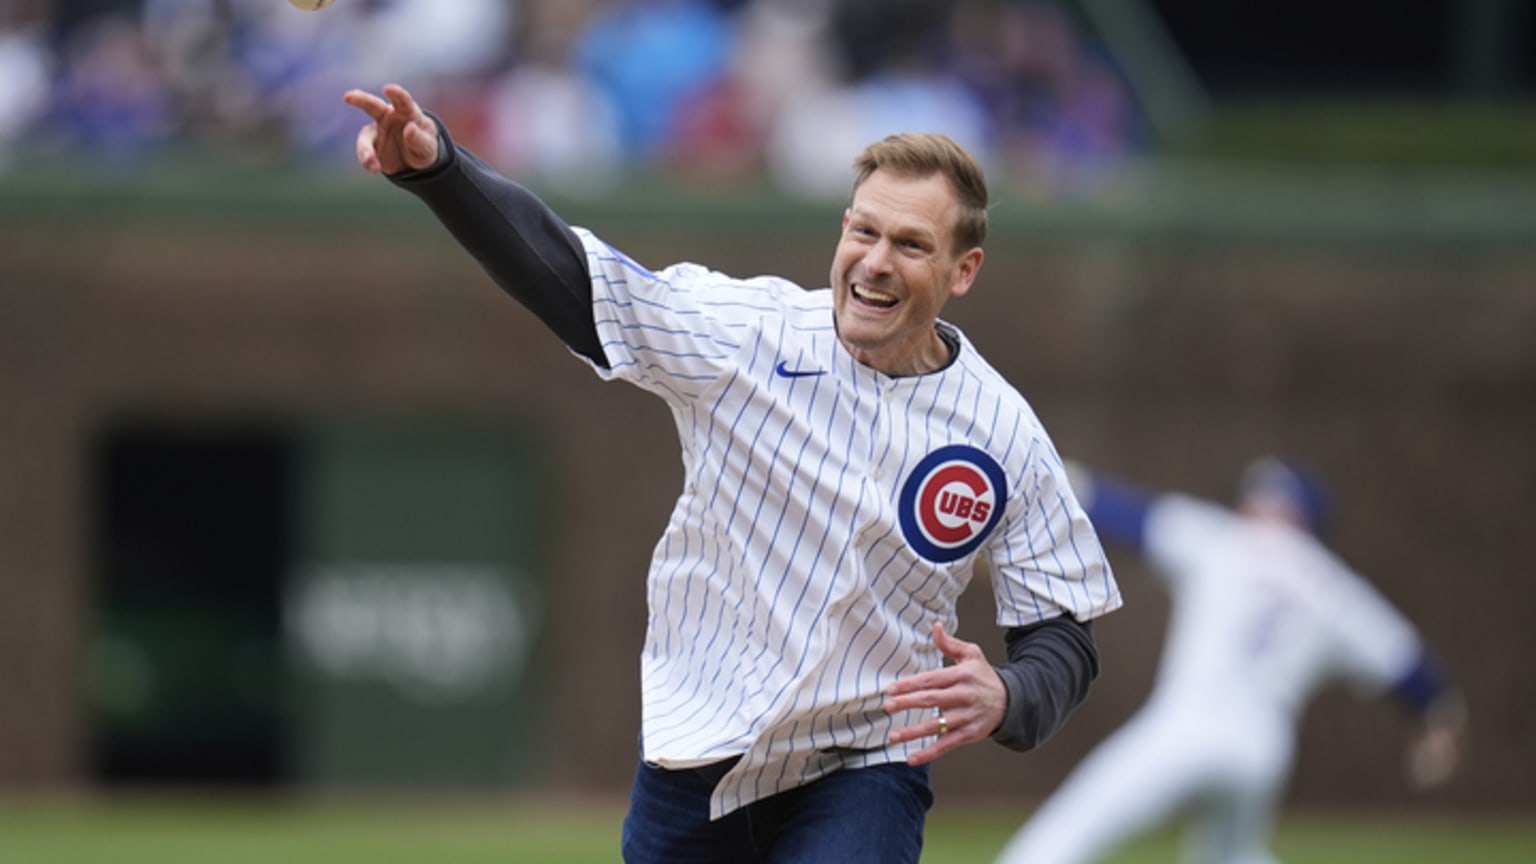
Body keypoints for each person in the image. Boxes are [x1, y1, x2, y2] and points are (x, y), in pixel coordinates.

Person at [343, 83, 1122, 863]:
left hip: (865, 759)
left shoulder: (1003, 430)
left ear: (964, 270)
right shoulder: (747, 335)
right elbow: (578, 281)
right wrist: (441, 171)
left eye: (912, 245)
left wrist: (1012, 694)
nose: (876, 262)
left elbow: (1062, 630)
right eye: (865, 231)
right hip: (697, 743)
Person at [995, 457, 1469, 864]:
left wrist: (1027, 498)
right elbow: (1407, 664)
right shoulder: (1334, 587)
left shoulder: (1224, 540)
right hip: (1263, 747)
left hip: (1190, 721)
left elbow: (1115, 511)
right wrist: (1438, 718)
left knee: (1070, 829)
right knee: (1230, 857)